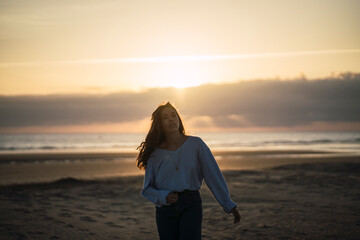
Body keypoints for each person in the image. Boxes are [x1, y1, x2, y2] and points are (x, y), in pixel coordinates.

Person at [137, 102, 241, 240]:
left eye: (173, 115)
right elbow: (147, 189)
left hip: (191, 204)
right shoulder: (155, 153)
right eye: (165, 117)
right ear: (159, 124)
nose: (171, 119)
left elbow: (213, 175)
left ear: (179, 119)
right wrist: (163, 196)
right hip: (165, 208)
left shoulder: (196, 144)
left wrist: (228, 204)